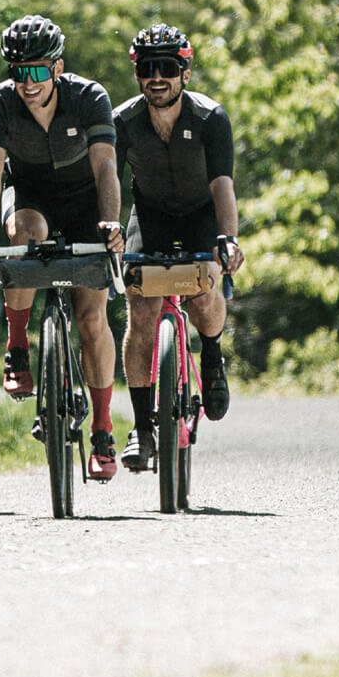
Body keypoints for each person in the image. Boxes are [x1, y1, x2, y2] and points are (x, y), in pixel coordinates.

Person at [0, 14, 124, 481]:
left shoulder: (89, 97)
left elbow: (106, 167)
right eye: (19, 71)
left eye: (37, 70)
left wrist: (111, 222)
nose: (28, 81)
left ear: (57, 67)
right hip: (30, 196)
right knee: (22, 234)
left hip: (84, 201)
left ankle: (102, 429)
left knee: (91, 318)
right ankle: (18, 346)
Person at [113, 23, 247, 472]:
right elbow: (109, 183)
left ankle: (211, 354)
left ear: (185, 73)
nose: (157, 77)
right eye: (148, 68)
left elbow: (223, 185)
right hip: (149, 216)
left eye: (167, 68)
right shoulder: (123, 121)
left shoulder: (210, 118)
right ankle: (141, 427)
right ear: (137, 73)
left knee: (204, 291)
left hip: (200, 216)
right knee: (141, 309)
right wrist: (107, 230)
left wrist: (228, 239)